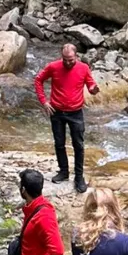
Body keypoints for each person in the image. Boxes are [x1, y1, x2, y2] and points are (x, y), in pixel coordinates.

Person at [35, 42, 101, 193]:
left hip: (76, 112)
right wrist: (44, 102)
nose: (68, 62)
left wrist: (94, 90)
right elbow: (38, 80)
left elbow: (90, 85)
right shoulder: (53, 66)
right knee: (59, 143)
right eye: (65, 59)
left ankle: (79, 177)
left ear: (76, 56)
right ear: (61, 56)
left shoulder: (83, 68)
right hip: (56, 111)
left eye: (71, 59)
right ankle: (63, 171)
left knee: (78, 145)